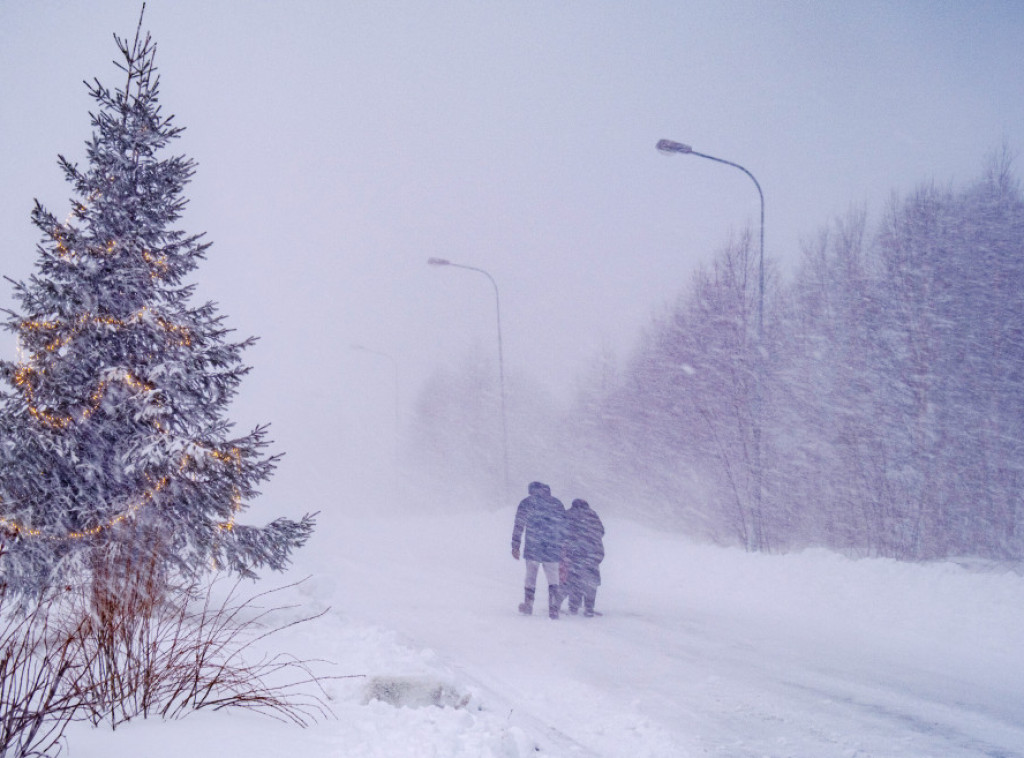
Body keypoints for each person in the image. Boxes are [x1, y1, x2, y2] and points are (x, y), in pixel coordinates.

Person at [511, 481, 567, 619]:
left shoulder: (526, 503)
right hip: (553, 547)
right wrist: (564, 545)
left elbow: (519, 525)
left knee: (530, 577)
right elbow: (565, 526)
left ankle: (528, 604)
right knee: (553, 579)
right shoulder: (557, 503)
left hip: (533, 546)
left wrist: (515, 545)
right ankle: (554, 608)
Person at [563, 498, 605, 617]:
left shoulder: (569, 514)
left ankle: (574, 606)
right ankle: (589, 607)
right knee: (591, 580)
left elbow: (561, 532)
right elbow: (601, 531)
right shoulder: (593, 515)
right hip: (594, 552)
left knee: (575, 578)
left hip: (575, 552)